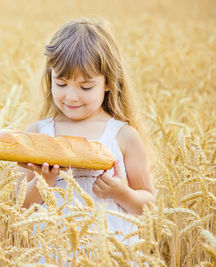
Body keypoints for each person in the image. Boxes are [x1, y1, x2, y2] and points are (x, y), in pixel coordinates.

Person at [16, 17, 156, 246]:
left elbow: (149, 205)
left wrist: (122, 194)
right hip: (54, 255)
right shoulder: (38, 134)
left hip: (110, 254)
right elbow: (21, 207)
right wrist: (42, 181)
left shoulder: (123, 136)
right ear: (49, 77)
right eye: (61, 83)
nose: (71, 96)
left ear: (108, 82)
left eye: (86, 87)